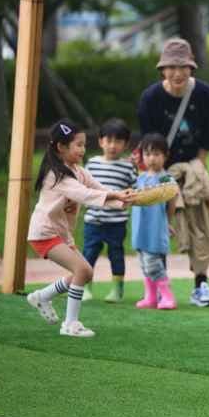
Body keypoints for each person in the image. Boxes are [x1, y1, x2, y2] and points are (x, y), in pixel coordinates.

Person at [25, 120, 133, 338]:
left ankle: (42, 297)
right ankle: (70, 324)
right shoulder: (57, 175)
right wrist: (116, 196)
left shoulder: (79, 171)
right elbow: (85, 194)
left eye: (84, 144)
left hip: (59, 234)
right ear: (61, 147)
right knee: (81, 270)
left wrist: (124, 200)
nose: (83, 149)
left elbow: (99, 189)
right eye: (78, 145)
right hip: (44, 233)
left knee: (85, 272)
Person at [138, 37, 209, 308]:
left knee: (199, 224)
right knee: (159, 226)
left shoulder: (205, 94)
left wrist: (199, 173)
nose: (177, 73)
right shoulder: (150, 98)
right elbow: (148, 142)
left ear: (191, 68)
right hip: (160, 169)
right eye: (171, 67)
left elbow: (208, 139)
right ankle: (160, 285)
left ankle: (201, 283)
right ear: (162, 69)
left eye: (183, 67)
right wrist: (156, 177)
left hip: (193, 166)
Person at [81, 118, 136, 303]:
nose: (113, 146)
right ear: (100, 141)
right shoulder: (92, 164)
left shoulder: (128, 167)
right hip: (93, 220)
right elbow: (83, 188)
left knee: (116, 254)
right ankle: (85, 288)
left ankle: (117, 290)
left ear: (125, 144)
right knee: (89, 254)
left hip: (117, 222)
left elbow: (135, 188)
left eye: (118, 141)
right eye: (109, 140)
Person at [132, 133, 179, 311]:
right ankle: (151, 297)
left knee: (153, 264)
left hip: (155, 228)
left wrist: (168, 222)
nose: (151, 158)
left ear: (165, 156)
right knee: (145, 264)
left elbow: (172, 201)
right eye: (148, 154)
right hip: (140, 229)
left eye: (156, 154)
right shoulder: (141, 178)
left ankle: (167, 297)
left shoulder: (166, 179)